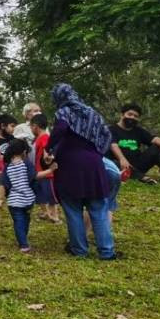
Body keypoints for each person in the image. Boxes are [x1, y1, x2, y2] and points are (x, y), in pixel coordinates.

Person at [48, 83, 117, 260]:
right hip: (94, 164)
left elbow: (62, 127)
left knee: (73, 210)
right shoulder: (91, 113)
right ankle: (107, 251)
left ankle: (79, 250)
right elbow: (107, 134)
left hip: (70, 165)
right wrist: (97, 151)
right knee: (99, 209)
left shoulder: (64, 111)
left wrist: (50, 147)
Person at [109, 103, 160, 187]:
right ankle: (141, 177)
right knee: (106, 159)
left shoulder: (138, 131)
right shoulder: (111, 129)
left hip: (137, 164)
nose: (132, 117)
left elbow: (154, 139)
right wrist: (122, 159)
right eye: (130, 114)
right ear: (122, 115)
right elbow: (113, 145)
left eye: (135, 116)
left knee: (158, 147)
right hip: (119, 164)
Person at [0, 138, 37, 253]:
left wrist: (1, 199)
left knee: (19, 221)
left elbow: (3, 184)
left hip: (13, 202)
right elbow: (34, 177)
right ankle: (23, 243)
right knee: (25, 221)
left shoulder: (7, 167)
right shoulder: (27, 164)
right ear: (24, 152)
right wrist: (50, 171)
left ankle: (22, 240)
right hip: (28, 200)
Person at [28, 113, 60, 223]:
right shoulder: (37, 139)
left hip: (47, 173)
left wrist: (48, 158)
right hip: (39, 172)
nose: (31, 129)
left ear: (35, 126)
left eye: (31, 126)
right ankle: (46, 213)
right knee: (40, 194)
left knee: (51, 195)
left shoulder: (45, 137)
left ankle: (55, 215)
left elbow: (48, 149)